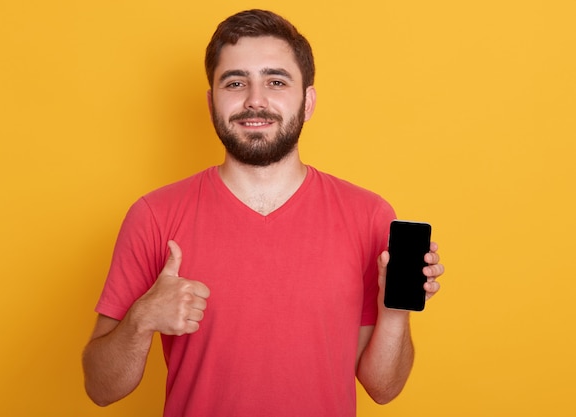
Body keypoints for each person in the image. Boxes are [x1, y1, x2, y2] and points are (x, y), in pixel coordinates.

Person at [82, 9, 444, 417]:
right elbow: (99, 387)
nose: (255, 100)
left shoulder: (368, 216)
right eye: (235, 83)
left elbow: (383, 388)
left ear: (307, 101)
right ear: (211, 102)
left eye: (276, 81)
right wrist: (142, 318)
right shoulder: (154, 216)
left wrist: (393, 312)